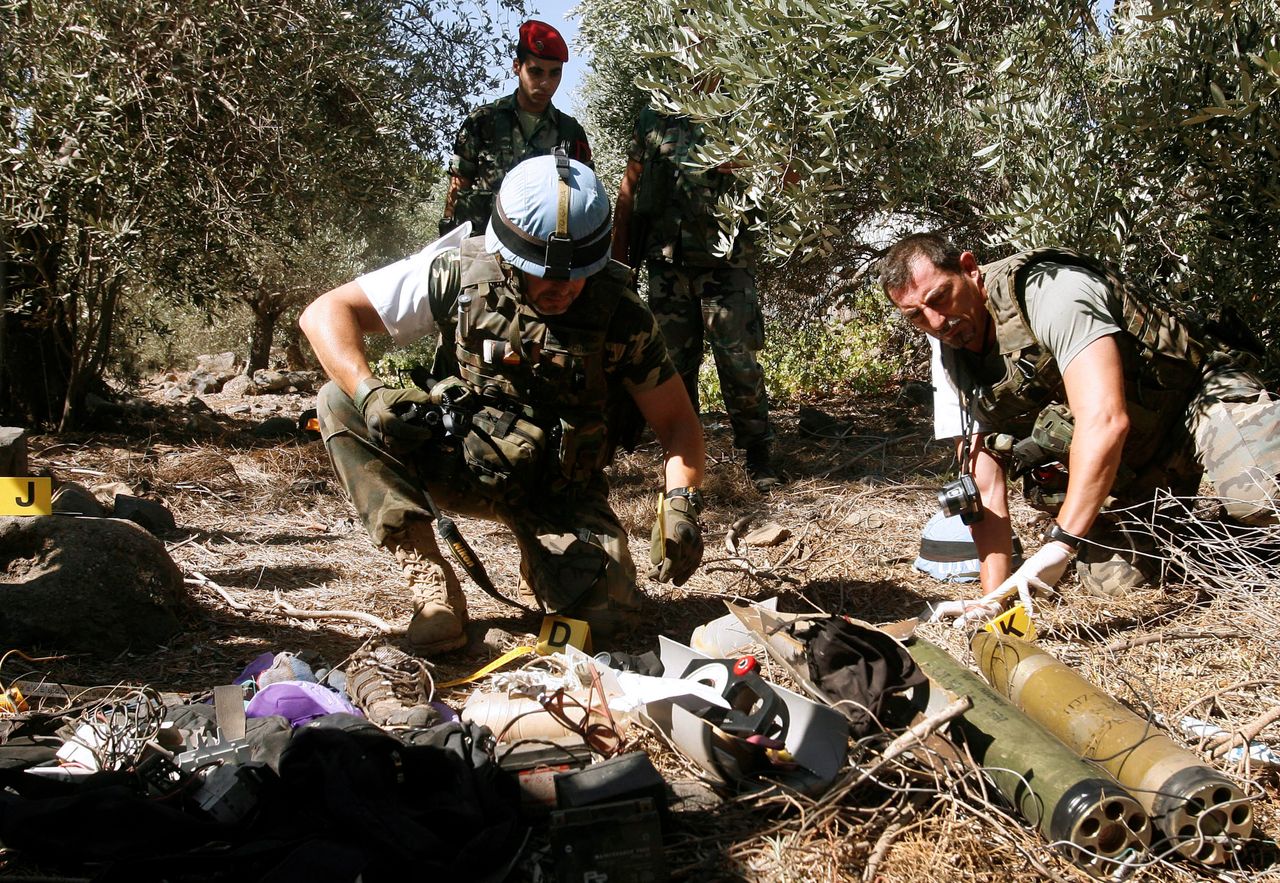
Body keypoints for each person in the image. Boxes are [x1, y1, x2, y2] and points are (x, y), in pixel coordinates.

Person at [300, 154, 706, 654]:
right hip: (459, 460)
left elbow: (677, 424)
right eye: (544, 274)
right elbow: (325, 313)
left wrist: (682, 502)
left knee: (608, 616)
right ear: (509, 256)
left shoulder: (621, 316)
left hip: (556, 488)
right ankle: (431, 581)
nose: (562, 287)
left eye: (578, 273)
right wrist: (370, 392)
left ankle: (541, 564)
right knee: (339, 400)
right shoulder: (458, 273)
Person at [881, 233, 1280, 618]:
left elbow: (1105, 420)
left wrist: (1061, 544)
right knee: (1117, 585)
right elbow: (984, 488)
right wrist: (993, 600)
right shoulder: (949, 352)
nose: (936, 321)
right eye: (915, 315)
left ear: (969, 269)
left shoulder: (1049, 291)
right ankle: (1221, 539)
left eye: (939, 298)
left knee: (1262, 499)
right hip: (1136, 460)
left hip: (1196, 400)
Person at [611, 105, 779, 490]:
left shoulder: (742, 107)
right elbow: (630, 187)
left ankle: (758, 452)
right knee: (671, 366)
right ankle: (682, 456)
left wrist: (744, 162)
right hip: (666, 262)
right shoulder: (653, 117)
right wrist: (619, 259)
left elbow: (782, 170)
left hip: (726, 263)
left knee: (739, 360)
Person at [439, 19, 593, 238]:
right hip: (484, 249)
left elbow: (584, 199)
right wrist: (448, 241)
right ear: (516, 67)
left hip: (542, 254)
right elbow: (458, 185)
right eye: (536, 72)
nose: (545, 83)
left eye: (555, 73)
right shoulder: (483, 122)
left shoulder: (570, 132)